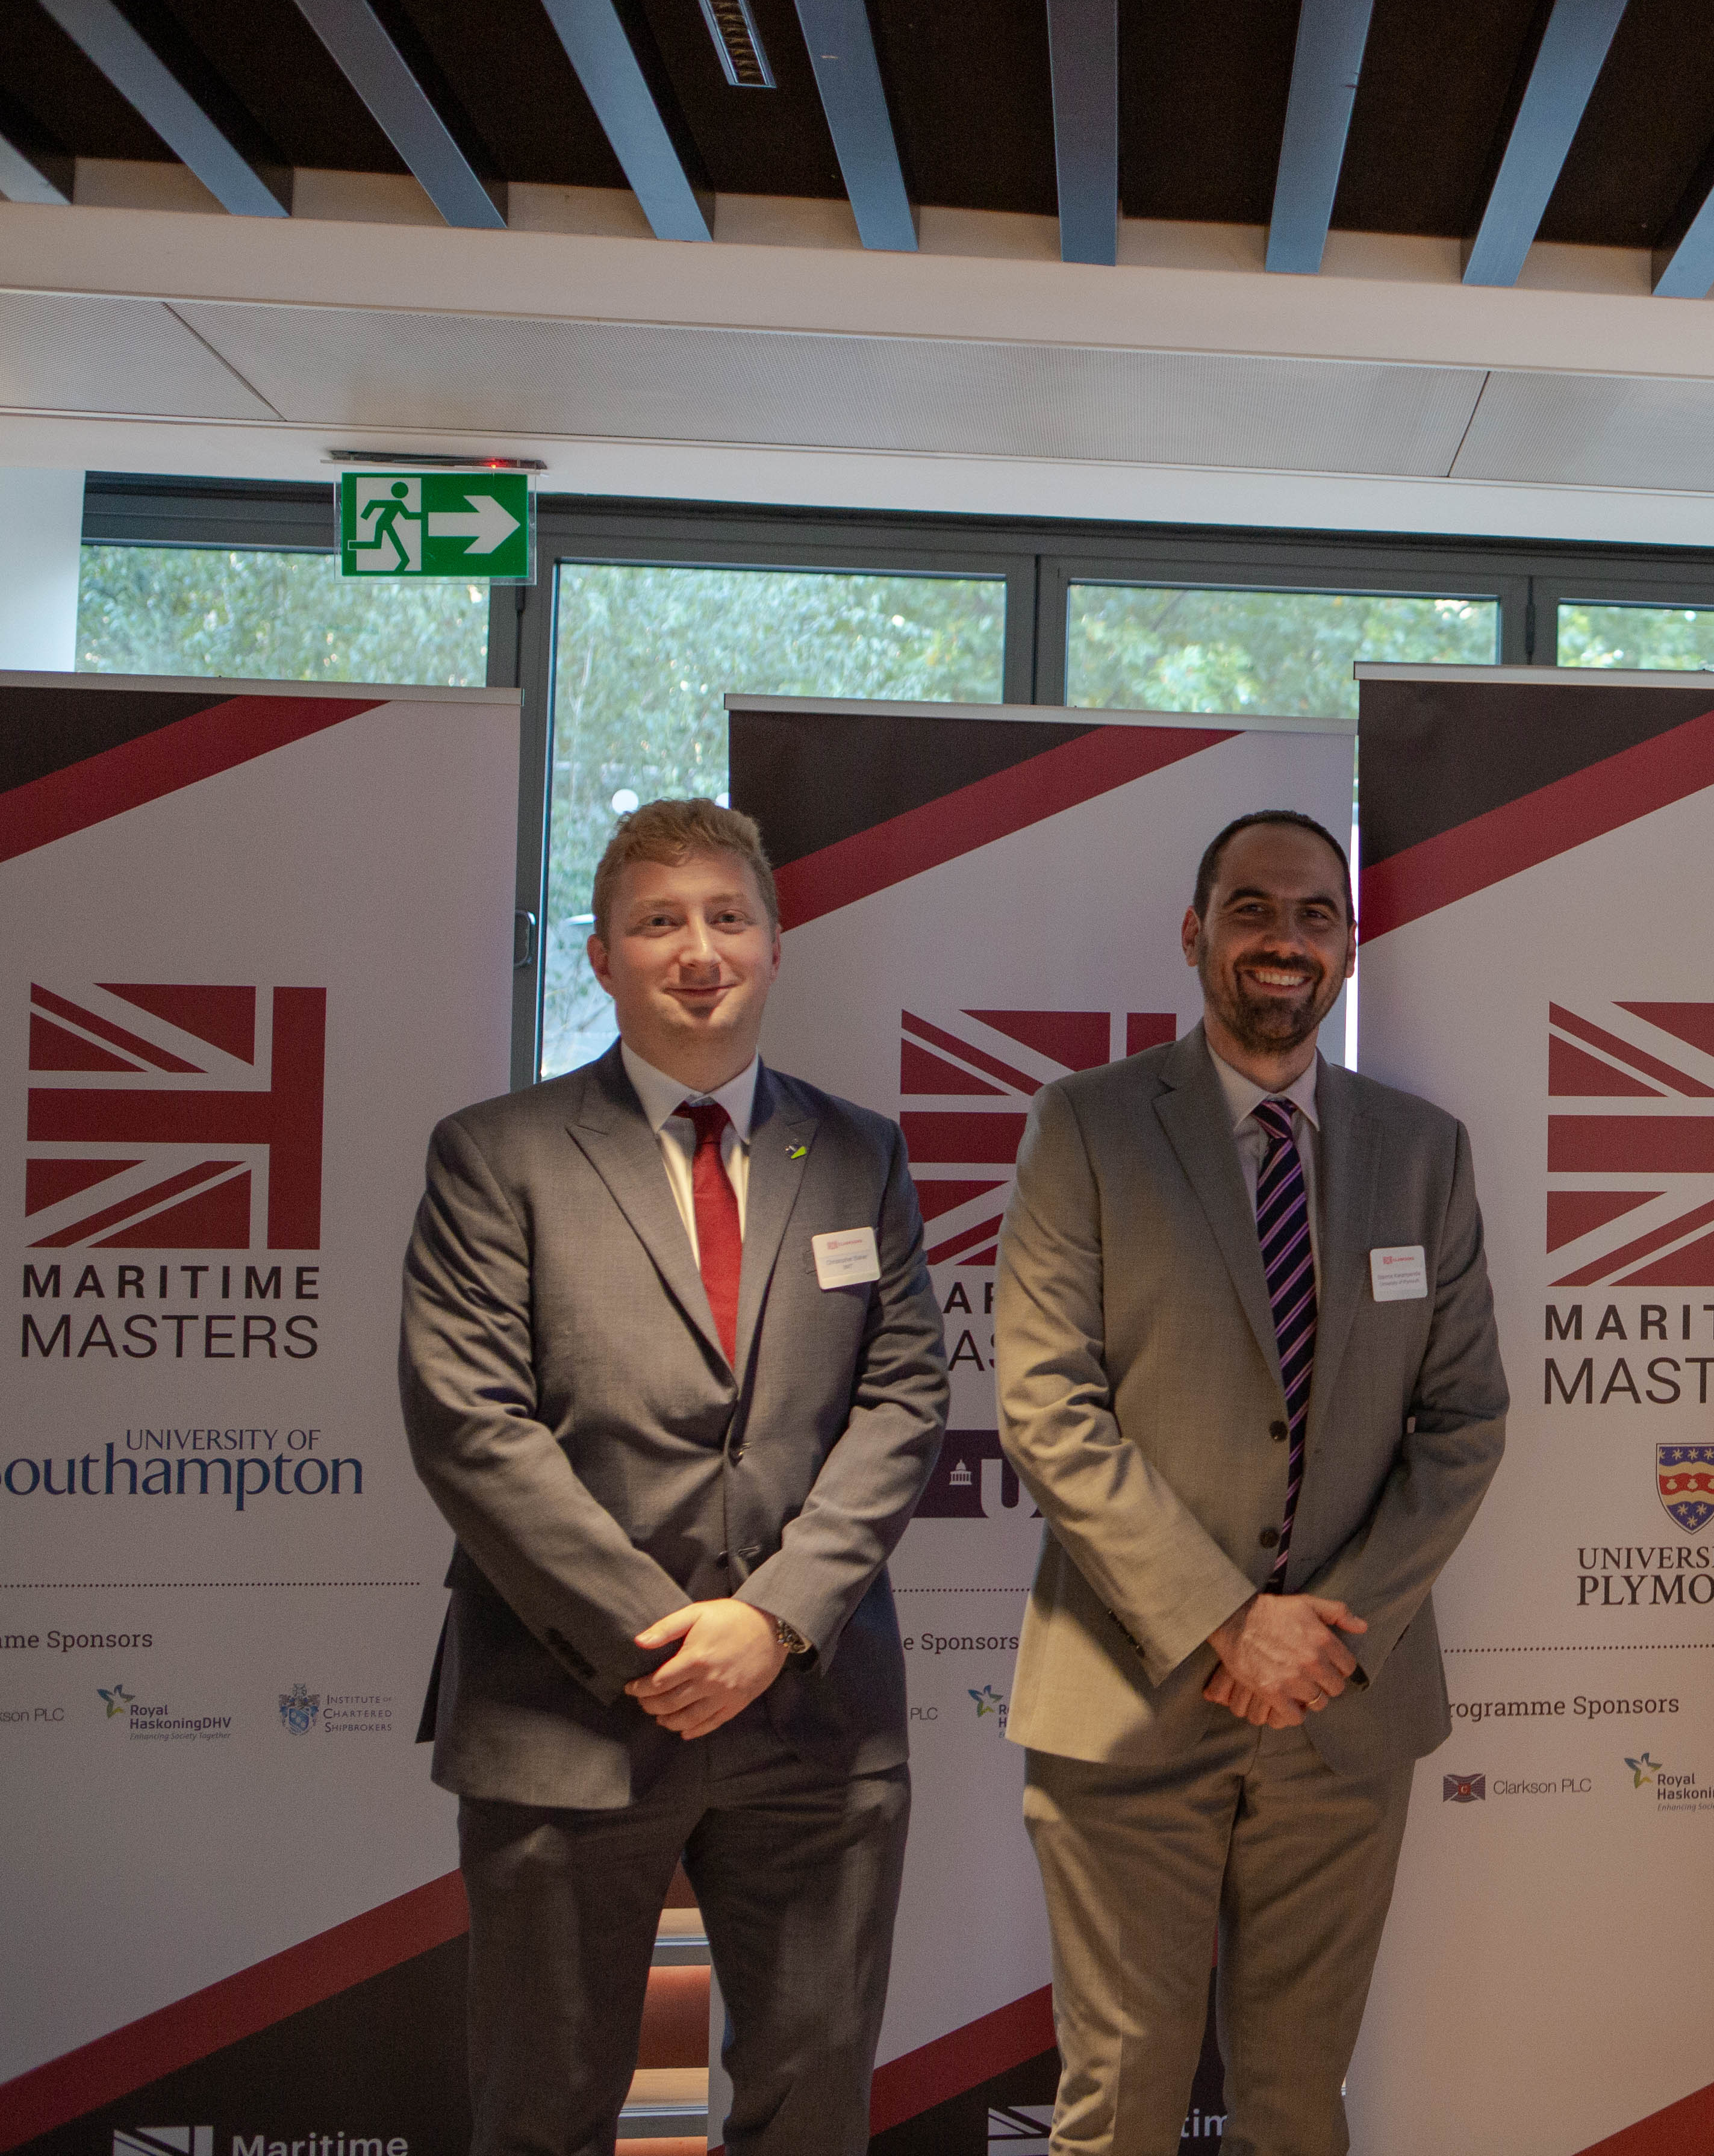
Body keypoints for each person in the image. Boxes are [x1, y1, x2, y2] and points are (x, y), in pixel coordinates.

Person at [399, 799, 950, 2156]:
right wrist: (661, 1643)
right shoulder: (495, 1155)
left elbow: (905, 1399)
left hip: (814, 1717)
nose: (696, 951)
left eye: (726, 918)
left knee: (809, 2108)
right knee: (545, 2111)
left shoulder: (861, 1151)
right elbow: (471, 1423)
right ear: (600, 958)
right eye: (658, 923)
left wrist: (768, 1625)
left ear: (775, 943)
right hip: (569, 1712)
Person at [994, 808, 1507, 2156]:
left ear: (1348, 946)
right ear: (1195, 932)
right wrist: (1231, 1622)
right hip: (1128, 1700)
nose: (1285, 941)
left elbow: (1464, 1419)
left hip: (1342, 1712)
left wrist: (1324, 1637)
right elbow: (1048, 1408)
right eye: (1253, 910)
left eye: (1313, 917)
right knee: (1122, 2100)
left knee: (1298, 2103)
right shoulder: (1087, 1127)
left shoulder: (1423, 1149)